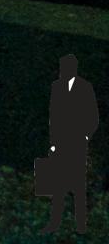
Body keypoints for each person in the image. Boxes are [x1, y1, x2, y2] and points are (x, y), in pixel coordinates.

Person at [44, 54, 98, 236]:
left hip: (77, 143)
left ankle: (81, 225)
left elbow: (93, 117)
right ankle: (55, 222)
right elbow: (53, 117)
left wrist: (84, 137)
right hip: (60, 143)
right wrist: (53, 143)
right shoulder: (57, 87)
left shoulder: (85, 87)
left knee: (78, 185)